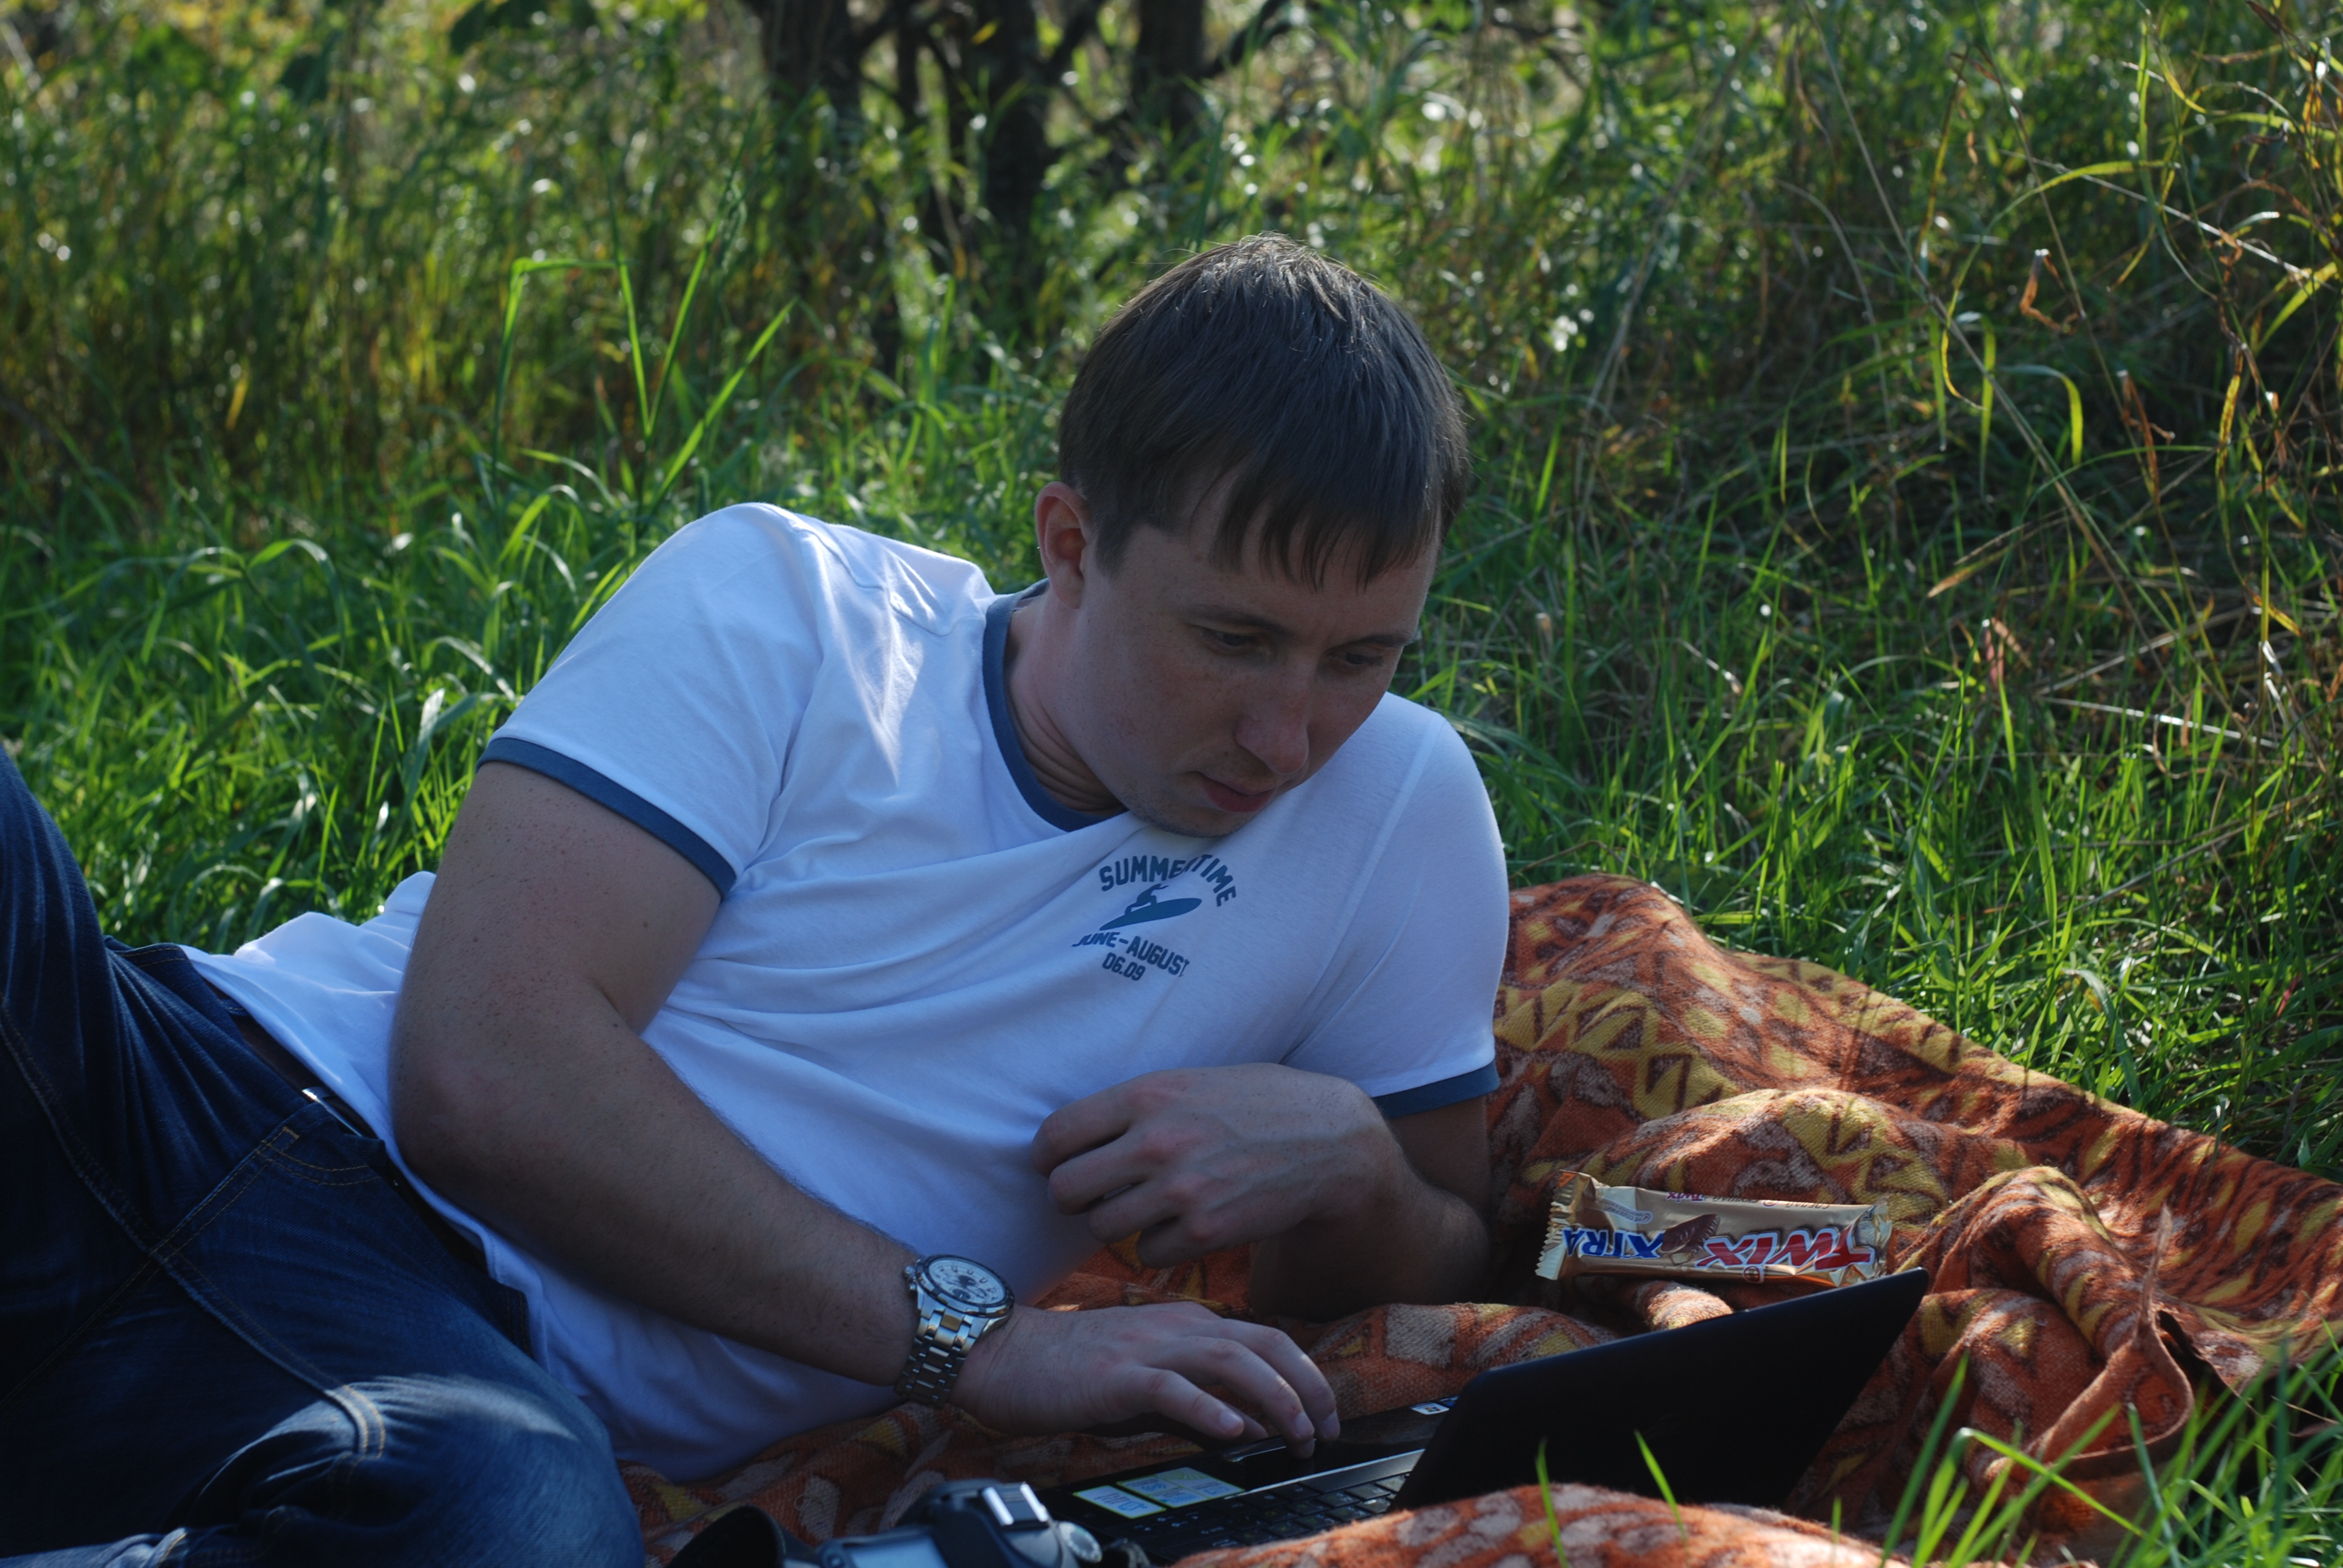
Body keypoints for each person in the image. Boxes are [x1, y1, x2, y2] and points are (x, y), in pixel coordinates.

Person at [0, 235, 1507, 1566]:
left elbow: (1450, 1248)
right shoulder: (794, 609)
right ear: (1071, 544)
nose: (1289, 735)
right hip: (180, 1105)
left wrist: (1354, 1168)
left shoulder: (1396, 812)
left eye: (1361, 658)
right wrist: (972, 1344)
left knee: (516, 1525)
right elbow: (481, 1072)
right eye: (1233, 640)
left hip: (435, 1383)